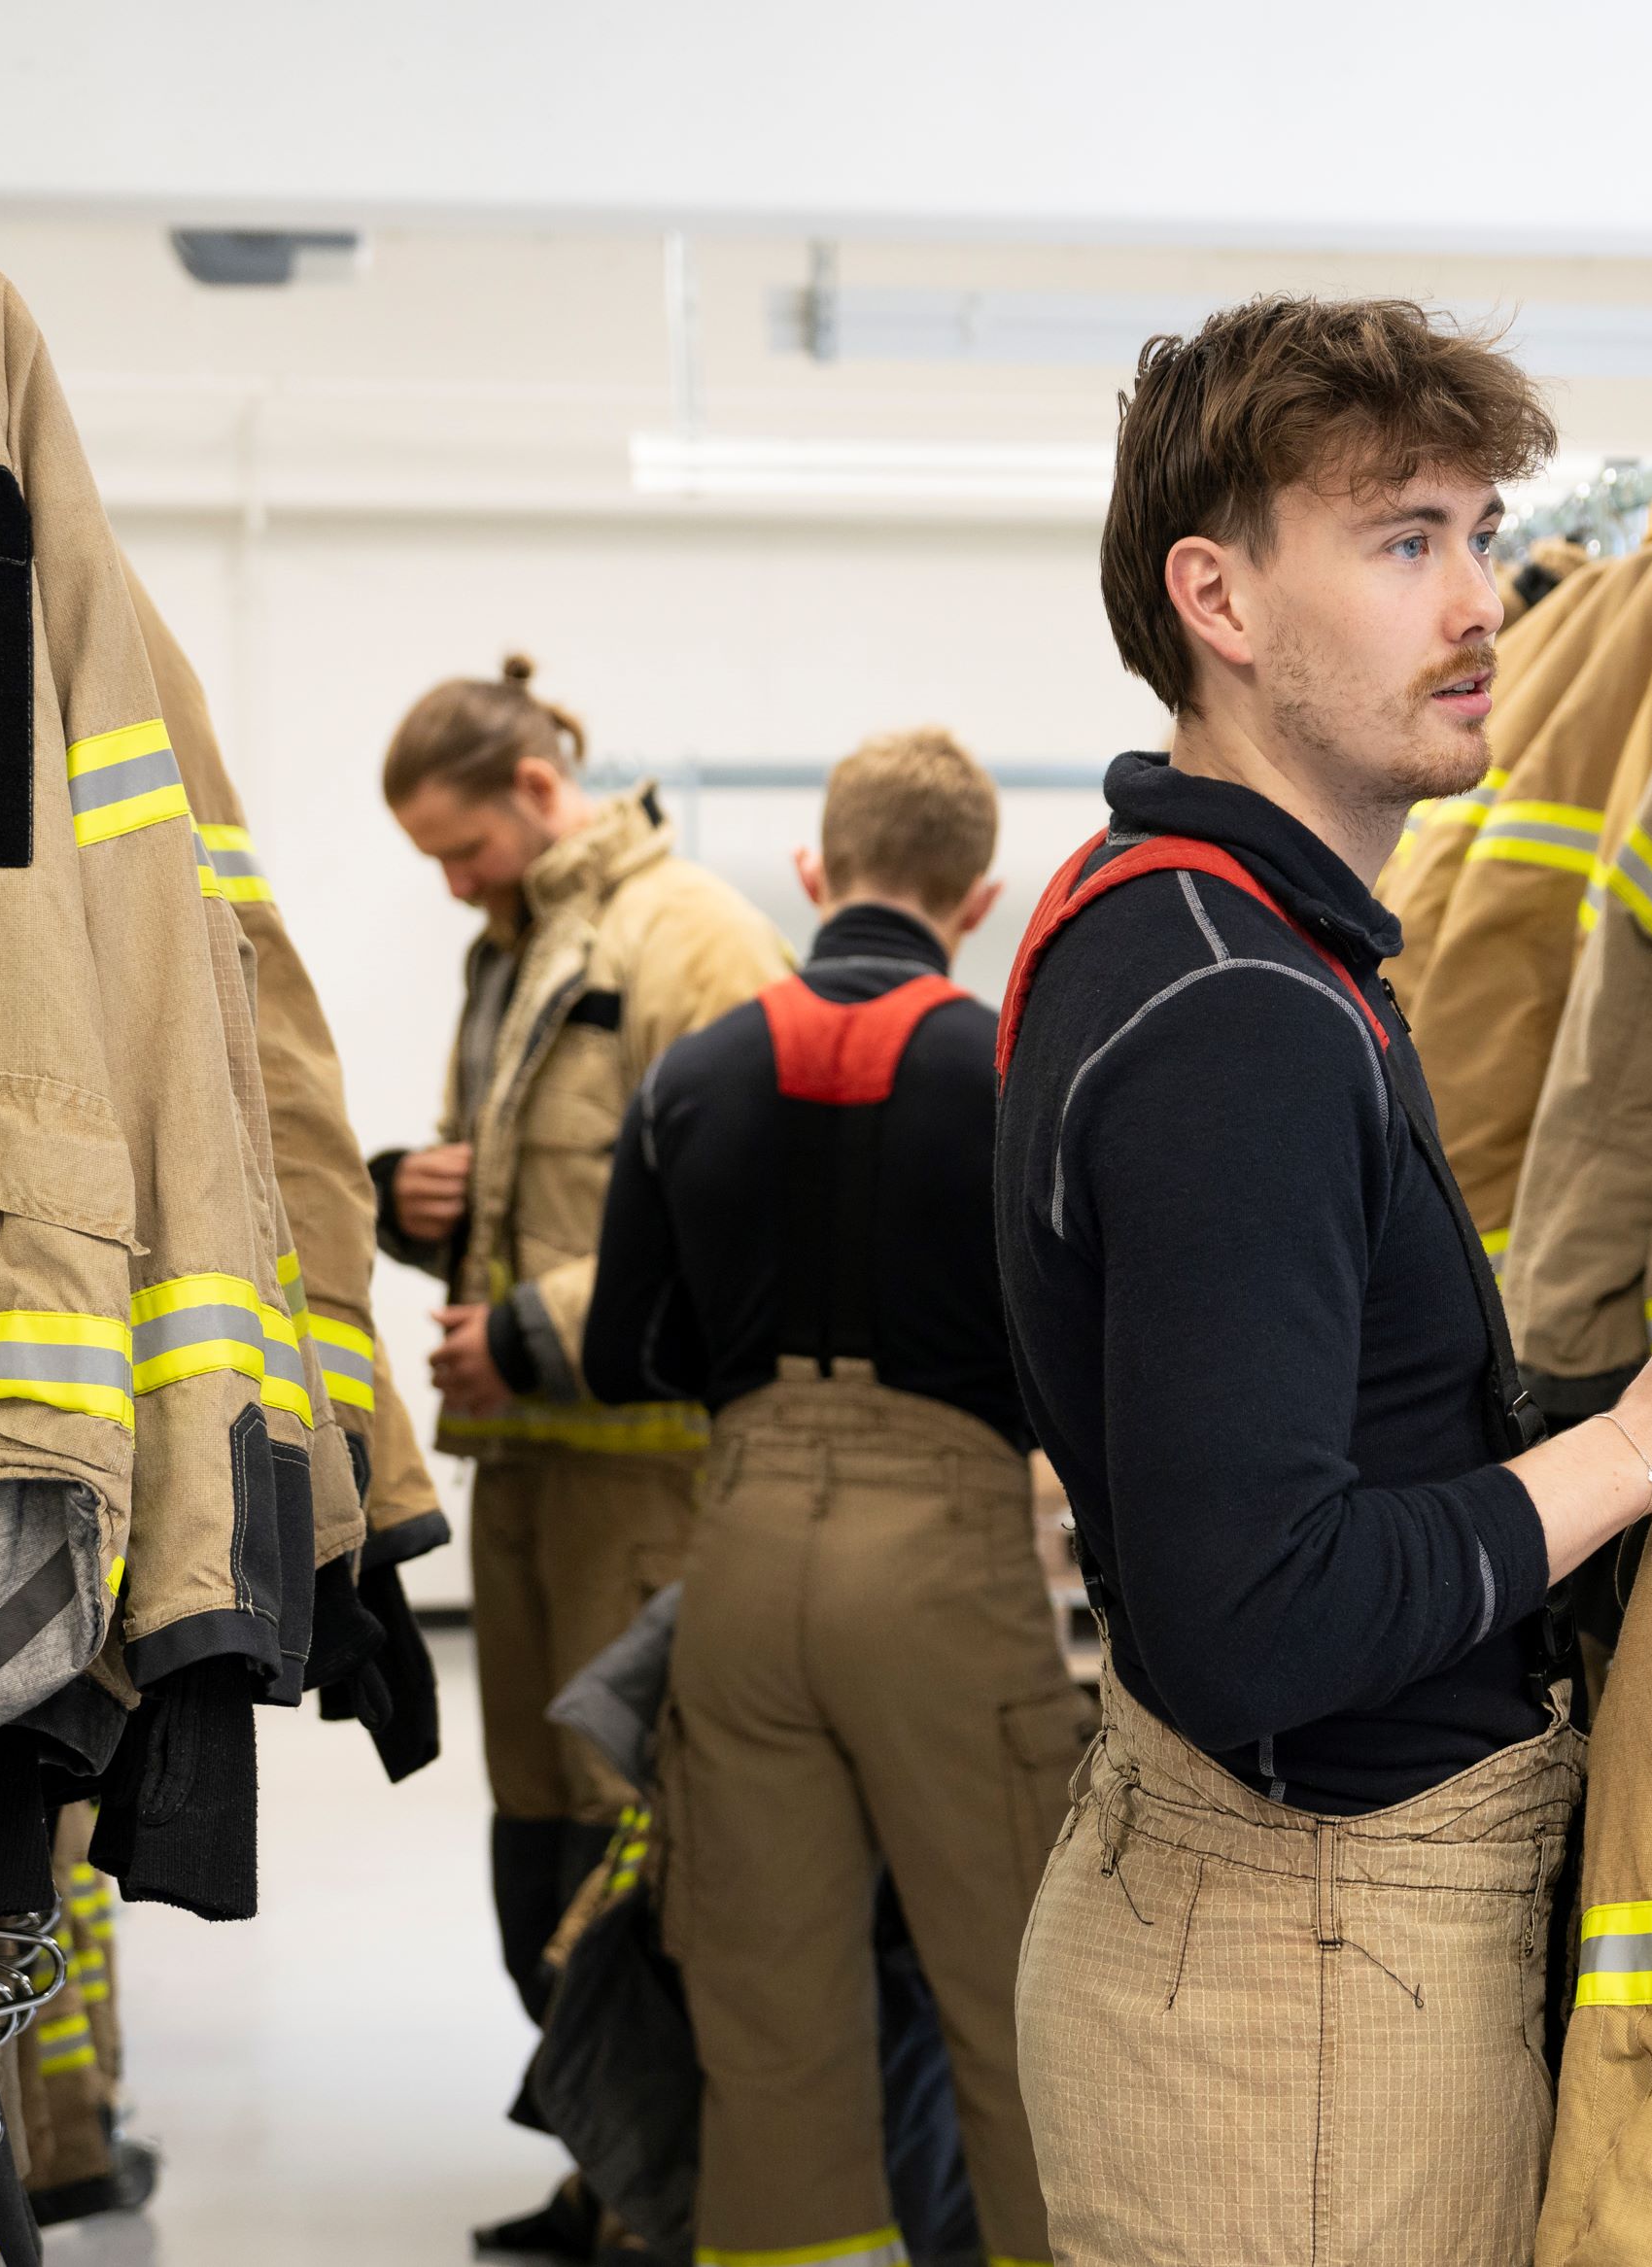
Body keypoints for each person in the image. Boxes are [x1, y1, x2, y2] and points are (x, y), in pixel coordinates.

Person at [993, 293, 1652, 2264]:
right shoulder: (1240, 1013)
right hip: (1305, 1995)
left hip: (1284, 1943)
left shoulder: (1211, 933)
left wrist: (1579, 1419)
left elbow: (1307, 1431)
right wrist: (1629, 1450)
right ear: (1219, 594)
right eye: (1400, 542)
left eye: (1477, 534)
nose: (1480, 605)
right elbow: (1259, 1617)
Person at [586, 727, 1079, 2267]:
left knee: (773, 2040)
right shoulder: (1014, 1070)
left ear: (813, 871)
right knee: (1016, 2015)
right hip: (950, 1564)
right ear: (981, 892)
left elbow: (620, 1354)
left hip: (739, 1564)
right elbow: (1076, 1349)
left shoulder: (691, 1072)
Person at [365, 657, 788, 2259]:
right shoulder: (520, 951)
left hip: (647, 1480)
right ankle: (607, 2160)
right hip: (533, 1477)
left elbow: (741, 1218)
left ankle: (675, 2198)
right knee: (538, 1841)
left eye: (458, 848)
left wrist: (534, 1326)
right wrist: (418, 1197)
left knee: (646, 1835)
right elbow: (546, 1195)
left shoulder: (693, 941)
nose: (450, 884)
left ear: (539, 795)